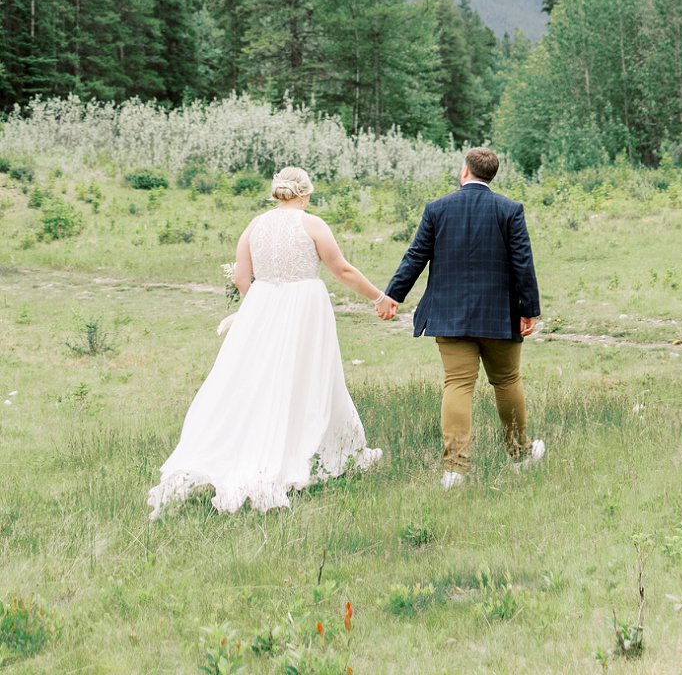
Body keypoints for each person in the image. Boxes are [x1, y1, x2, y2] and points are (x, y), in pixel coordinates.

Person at [148, 166, 389, 518]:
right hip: (305, 309)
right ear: (305, 194)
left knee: (253, 381)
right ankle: (310, 452)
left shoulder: (255, 225)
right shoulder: (313, 225)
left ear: (278, 192)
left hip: (261, 308)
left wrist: (261, 304)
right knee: (308, 378)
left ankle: (242, 448)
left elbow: (242, 277)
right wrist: (379, 297)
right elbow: (342, 270)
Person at [380, 145, 543, 488]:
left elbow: (415, 256)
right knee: (507, 381)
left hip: (450, 314)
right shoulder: (509, 209)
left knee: (457, 384)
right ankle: (519, 456)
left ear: (465, 171)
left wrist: (392, 296)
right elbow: (522, 263)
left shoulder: (437, 208)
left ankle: (455, 470)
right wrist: (529, 311)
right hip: (499, 315)